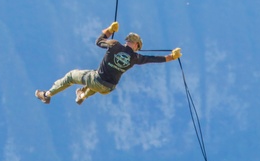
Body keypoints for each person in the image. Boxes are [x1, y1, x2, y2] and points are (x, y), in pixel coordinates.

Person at [34, 21, 182, 106]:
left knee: (72, 76)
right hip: (109, 88)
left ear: (127, 40)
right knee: (95, 82)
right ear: (137, 46)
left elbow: (98, 41)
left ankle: (46, 95)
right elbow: (154, 59)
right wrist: (172, 56)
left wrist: (109, 30)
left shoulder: (115, 45)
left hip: (97, 80)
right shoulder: (136, 58)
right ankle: (82, 95)